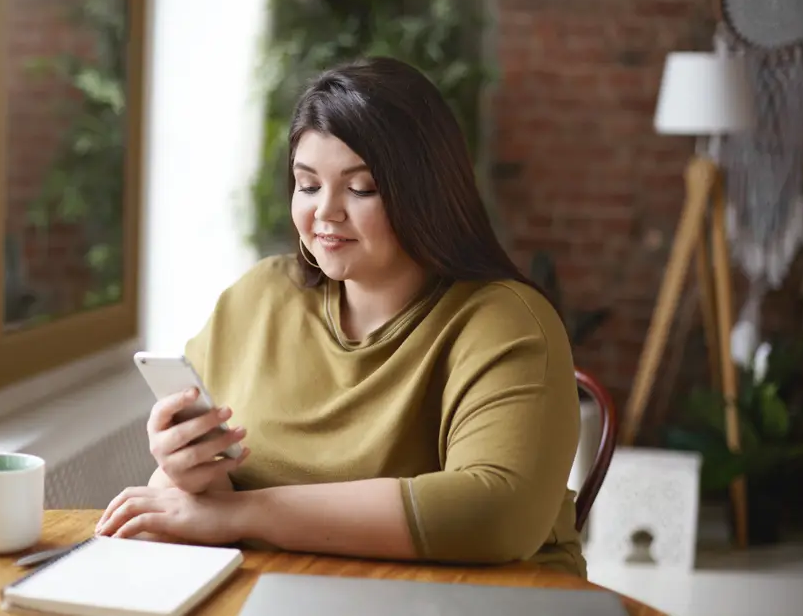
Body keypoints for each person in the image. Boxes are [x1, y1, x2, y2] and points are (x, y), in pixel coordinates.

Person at [95, 56, 585, 577]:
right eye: (308, 185)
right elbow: (193, 507)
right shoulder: (259, 297)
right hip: (279, 592)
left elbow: (495, 512)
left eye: (360, 188)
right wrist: (186, 471)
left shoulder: (506, 321)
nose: (325, 212)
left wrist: (245, 513)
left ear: (426, 193)